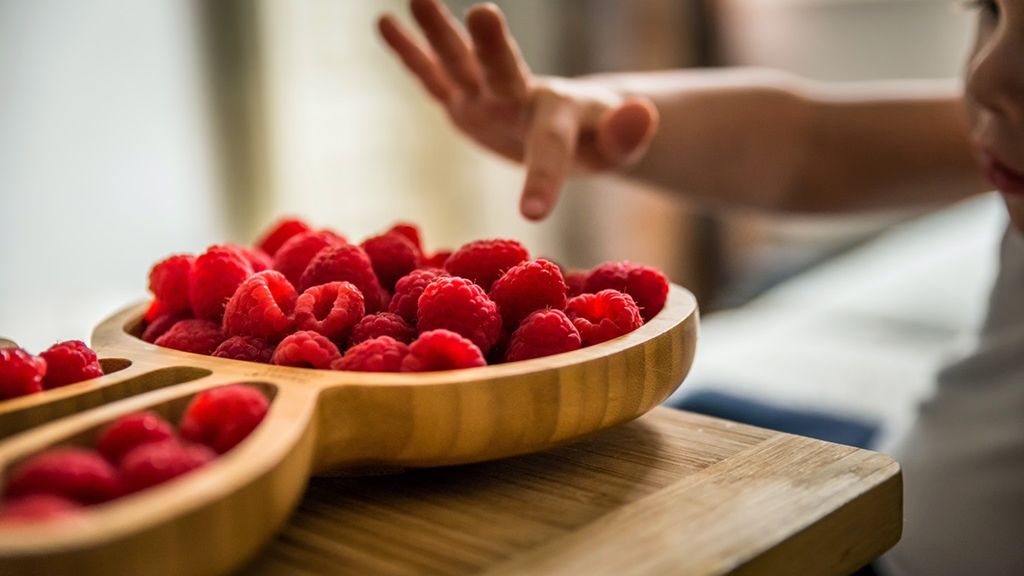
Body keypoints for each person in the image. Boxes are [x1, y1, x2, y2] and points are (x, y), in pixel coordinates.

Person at [377, 1, 1024, 574]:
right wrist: (601, 108)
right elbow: (808, 144)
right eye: (989, 12)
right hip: (895, 463)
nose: (990, 77)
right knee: (682, 424)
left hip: (885, 547)